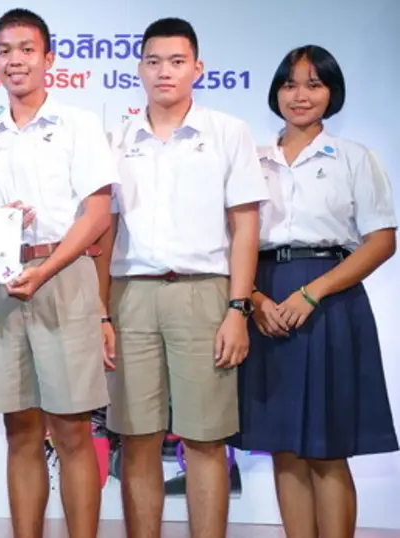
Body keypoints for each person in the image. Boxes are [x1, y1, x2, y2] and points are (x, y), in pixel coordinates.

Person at [0, 8, 119, 538]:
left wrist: (45, 271)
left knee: (70, 430)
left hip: (62, 276)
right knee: (19, 430)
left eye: (26, 49)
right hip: (2, 282)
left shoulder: (78, 125)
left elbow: (97, 214)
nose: (14, 59)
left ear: (49, 59)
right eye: (4, 50)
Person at [99, 17, 268, 538]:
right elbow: (103, 233)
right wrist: (103, 312)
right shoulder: (116, 138)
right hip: (131, 297)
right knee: (137, 436)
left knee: (205, 440)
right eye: (153, 61)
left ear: (197, 68)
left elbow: (245, 227)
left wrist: (238, 309)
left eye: (176, 61)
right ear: (139, 69)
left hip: (204, 295)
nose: (164, 72)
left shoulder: (227, 132)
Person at [229, 45, 399, 538]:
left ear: (332, 92)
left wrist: (311, 294)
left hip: (330, 301)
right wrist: (254, 301)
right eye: (289, 84)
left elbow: (381, 241)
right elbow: (230, 238)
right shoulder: (251, 158)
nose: (299, 95)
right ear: (275, 92)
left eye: (313, 84)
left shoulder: (354, 158)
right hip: (262, 298)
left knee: (327, 446)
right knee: (283, 444)